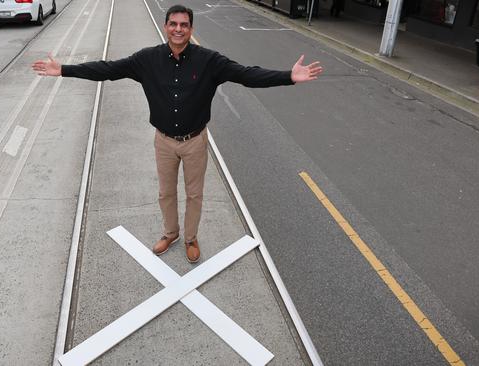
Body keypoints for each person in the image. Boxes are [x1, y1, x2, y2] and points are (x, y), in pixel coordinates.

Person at [32, 4, 323, 263]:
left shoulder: (209, 61)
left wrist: (289, 77)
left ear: (191, 28)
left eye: (184, 24)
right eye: (173, 24)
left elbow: (247, 74)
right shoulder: (146, 60)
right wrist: (64, 70)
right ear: (166, 27)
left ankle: (190, 238)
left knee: (194, 194)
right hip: (164, 142)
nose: (179, 29)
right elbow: (108, 69)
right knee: (165, 193)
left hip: (195, 141)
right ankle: (170, 233)